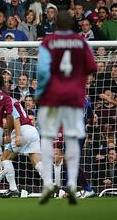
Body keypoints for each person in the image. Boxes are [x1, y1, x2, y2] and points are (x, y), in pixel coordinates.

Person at [36, 11, 97, 205]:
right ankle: (71, 183)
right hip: (74, 98)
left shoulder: (48, 41)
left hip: (53, 96)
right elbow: (92, 67)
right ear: (72, 25)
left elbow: (43, 70)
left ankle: (47, 182)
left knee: (46, 136)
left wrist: (40, 93)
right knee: (72, 139)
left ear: (55, 24)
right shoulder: (81, 42)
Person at [0, 98, 44, 197]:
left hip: (21, 131)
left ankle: (13, 188)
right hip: (32, 130)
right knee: (36, 161)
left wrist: (15, 136)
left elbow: (15, 119)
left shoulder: (4, 101)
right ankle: (50, 184)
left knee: (5, 158)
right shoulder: (12, 100)